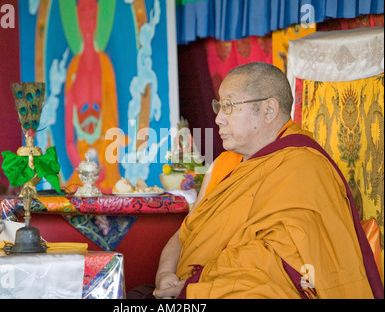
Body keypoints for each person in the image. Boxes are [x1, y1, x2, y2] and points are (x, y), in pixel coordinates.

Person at [153, 62, 383, 299]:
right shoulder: (223, 165)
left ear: (269, 110)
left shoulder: (304, 168)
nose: (219, 118)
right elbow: (186, 233)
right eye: (219, 106)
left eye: (229, 106)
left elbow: (273, 267)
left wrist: (197, 288)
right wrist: (164, 274)